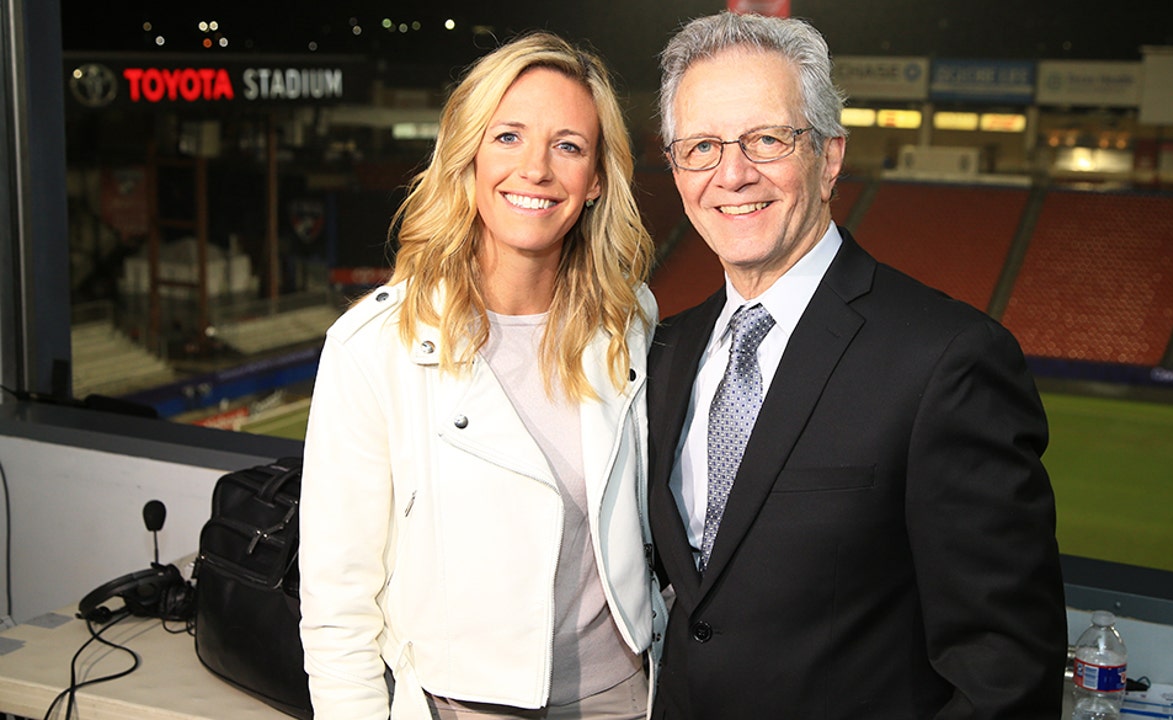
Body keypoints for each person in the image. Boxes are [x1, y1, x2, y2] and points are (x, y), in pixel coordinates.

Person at [645, 12, 1067, 719]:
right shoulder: (665, 350)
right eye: (702, 147)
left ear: (830, 155)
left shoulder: (947, 359)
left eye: (767, 139)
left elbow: (1006, 665)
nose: (733, 173)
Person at [299, 32, 666, 720]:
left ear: (594, 183)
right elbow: (337, 601)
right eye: (508, 137)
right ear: (467, 157)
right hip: (461, 705)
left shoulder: (630, 319)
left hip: (624, 695)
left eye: (568, 146)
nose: (536, 169)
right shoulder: (374, 346)